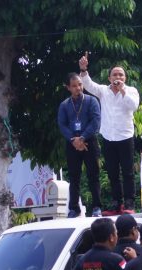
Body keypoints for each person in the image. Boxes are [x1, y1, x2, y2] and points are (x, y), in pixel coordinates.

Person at [79, 54, 140, 216]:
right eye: (115, 74)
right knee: (112, 172)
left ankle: (129, 202)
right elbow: (88, 85)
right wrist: (83, 69)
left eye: (121, 74)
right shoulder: (103, 91)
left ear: (125, 78)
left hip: (125, 137)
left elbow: (133, 106)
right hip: (108, 137)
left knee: (127, 172)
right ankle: (116, 203)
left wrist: (122, 91)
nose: (118, 77)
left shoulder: (131, 91)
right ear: (109, 77)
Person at [57, 72, 102, 218]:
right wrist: (74, 140)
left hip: (89, 141)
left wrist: (82, 138)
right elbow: (62, 124)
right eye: (74, 86)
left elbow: (95, 122)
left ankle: (96, 207)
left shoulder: (92, 101)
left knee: (93, 174)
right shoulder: (64, 105)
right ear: (68, 88)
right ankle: (74, 209)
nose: (78, 88)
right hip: (72, 143)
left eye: (80, 84)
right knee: (74, 176)